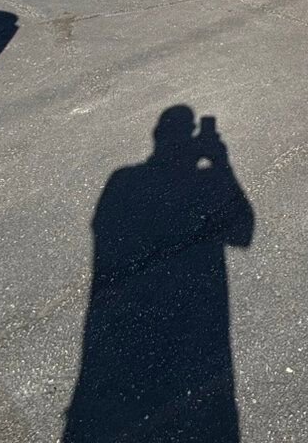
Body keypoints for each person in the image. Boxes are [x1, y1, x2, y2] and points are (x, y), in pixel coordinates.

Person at [63, 106, 254, 442]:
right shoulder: (139, 180)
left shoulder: (121, 180)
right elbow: (242, 233)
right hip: (195, 323)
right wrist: (222, 164)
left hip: (114, 331)